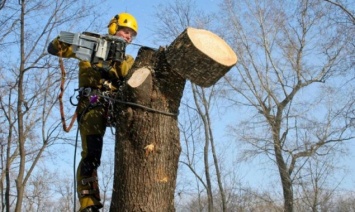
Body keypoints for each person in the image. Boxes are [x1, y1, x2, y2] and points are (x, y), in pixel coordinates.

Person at [47, 13, 138, 212]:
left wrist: (113, 65)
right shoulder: (93, 45)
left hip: (118, 105)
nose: (128, 36)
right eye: (125, 31)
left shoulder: (128, 58)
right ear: (114, 28)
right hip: (93, 102)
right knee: (92, 154)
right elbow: (55, 48)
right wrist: (82, 43)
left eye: (132, 34)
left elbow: (129, 76)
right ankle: (88, 203)